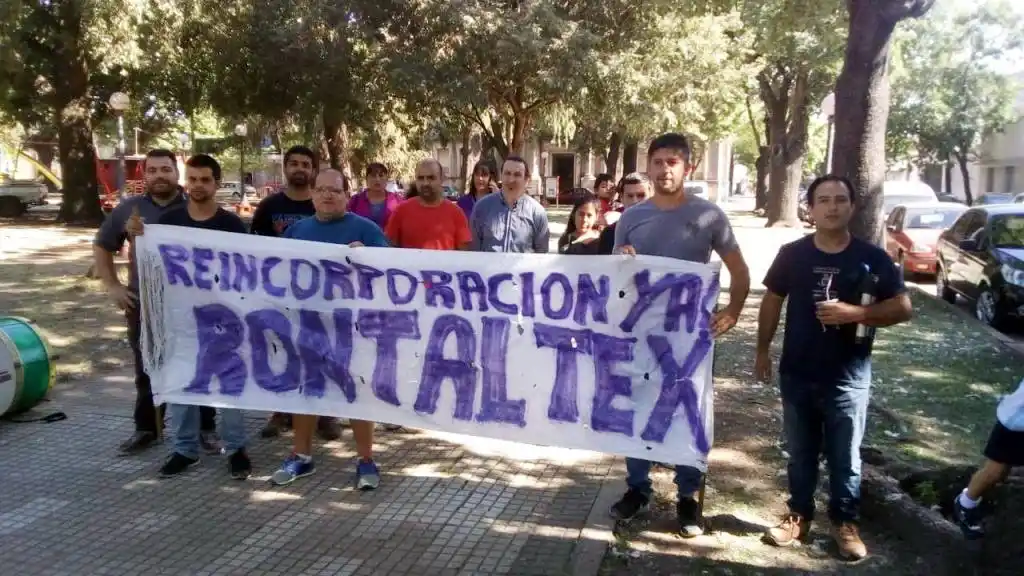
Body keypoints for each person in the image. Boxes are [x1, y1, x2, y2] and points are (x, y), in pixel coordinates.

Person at [755, 175, 912, 560]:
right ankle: (798, 515)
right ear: (810, 208)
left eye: (840, 200)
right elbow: (772, 301)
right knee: (801, 453)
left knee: (846, 456)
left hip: (848, 377)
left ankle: (844, 522)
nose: (832, 207)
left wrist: (856, 313)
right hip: (798, 372)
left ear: (852, 207)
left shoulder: (872, 257)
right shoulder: (792, 254)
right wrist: (762, 350)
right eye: (823, 200)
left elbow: (903, 308)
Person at [611, 133, 751, 538]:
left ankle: (688, 496)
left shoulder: (709, 216)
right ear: (649, 166)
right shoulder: (632, 217)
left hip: (690, 338)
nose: (665, 169)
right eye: (658, 161)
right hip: (641, 333)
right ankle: (638, 489)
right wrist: (621, 263)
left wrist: (733, 311)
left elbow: (740, 271)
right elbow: (619, 276)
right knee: (636, 406)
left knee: (689, 412)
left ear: (687, 168)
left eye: (673, 161)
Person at [126, 154, 254, 479]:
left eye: (205, 180)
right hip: (180, 321)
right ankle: (184, 450)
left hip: (225, 321)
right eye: (193, 179)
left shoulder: (230, 225)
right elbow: (151, 264)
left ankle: (236, 448)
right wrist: (138, 237)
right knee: (182, 384)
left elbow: (246, 271)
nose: (198, 185)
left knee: (230, 387)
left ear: (216, 183)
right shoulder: (168, 223)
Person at [93, 149, 219, 454]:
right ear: (144, 175)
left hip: (192, 304)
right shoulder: (130, 210)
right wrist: (112, 286)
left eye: (166, 169)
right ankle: (147, 428)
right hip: (145, 304)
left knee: (200, 362)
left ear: (177, 175)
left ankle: (205, 427)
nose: (159, 176)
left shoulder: (196, 205)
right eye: (152, 170)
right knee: (147, 365)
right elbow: (102, 245)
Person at [271, 169, 389, 490]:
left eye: (334, 191)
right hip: (308, 326)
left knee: (357, 392)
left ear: (347, 194)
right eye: (321, 190)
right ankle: (301, 455)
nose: (327, 195)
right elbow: (277, 271)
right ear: (312, 194)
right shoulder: (297, 231)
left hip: (354, 328)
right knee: (307, 393)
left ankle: (366, 460)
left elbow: (390, 270)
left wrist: (367, 257)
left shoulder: (366, 229)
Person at [249, 145, 343, 441]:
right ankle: (280, 413)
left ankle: (326, 415)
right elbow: (255, 249)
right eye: (294, 163)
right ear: (285, 168)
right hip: (282, 294)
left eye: (306, 164)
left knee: (323, 353)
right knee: (280, 351)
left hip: (325, 297)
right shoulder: (268, 207)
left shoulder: (323, 206)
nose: (299, 168)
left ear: (313, 171)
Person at [952, 376, 1024, 539]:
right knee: (995, 470)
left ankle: (990, 500)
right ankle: (965, 503)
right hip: (1013, 424)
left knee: (1004, 472)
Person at [469, 155, 550, 253]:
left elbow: (541, 254)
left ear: (527, 180)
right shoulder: (481, 208)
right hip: (489, 268)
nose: (511, 180)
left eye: (517, 175)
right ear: (501, 176)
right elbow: (474, 250)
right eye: (507, 173)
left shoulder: (537, 213)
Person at [386, 159, 471, 250]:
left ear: (441, 179)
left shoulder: (456, 213)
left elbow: (464, 254)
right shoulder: (401, 211)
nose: (425, 183)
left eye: (431, 178)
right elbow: (389, 248)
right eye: (421, 178)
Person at [598, 173, 650, 255]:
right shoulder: (609, 234)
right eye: (630, 196)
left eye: (641, 195)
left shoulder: (663, 229)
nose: (635, 201)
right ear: (621, 198)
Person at [348, 162, 402, 230]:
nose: (377, 179)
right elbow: (348, 224)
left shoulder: (397, 200)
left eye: (381, 175)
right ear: (367, 179)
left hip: (389, 240)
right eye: (373, 176)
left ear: (386, 179)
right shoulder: (355, 201)